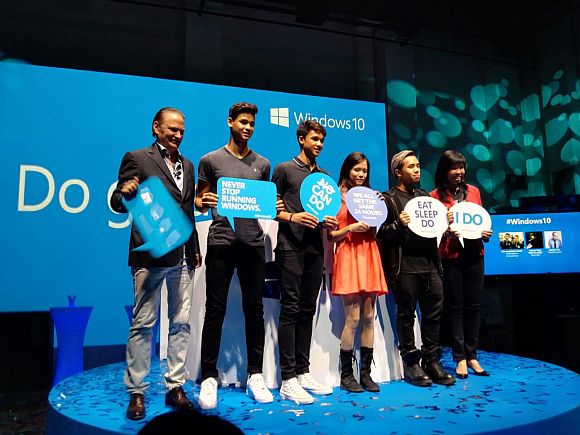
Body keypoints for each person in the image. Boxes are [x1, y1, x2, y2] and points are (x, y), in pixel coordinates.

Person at [110, 107, 201, 420]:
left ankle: (175, 386)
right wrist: (125, 194)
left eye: (182, 130)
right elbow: (118, 201)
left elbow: (187, 210)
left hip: (184, 255)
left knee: (181, 322)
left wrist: (194, 248)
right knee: (144, 323)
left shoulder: (188, 165)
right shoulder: (137, 158)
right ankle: (136, 391)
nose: (178, 135)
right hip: (150, 255)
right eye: (172, 129)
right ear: (156, 127)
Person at [196, 102, 274, 409]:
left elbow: (264, 204)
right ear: (230, 122)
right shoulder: (210, 160)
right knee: (215, 310)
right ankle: (208, 377)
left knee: (255, 310)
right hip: (221, 242)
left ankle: (255, 375)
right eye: (243, 122)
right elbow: (200, 200)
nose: (248, 128)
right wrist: (204, 200)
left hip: (253, 244)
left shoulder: (263, 164)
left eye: (251, 124)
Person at [272, 120, 338, 404]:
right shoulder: (284, 169)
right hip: (290, 247)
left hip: (314, 249)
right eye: (314, 139)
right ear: (301, 139)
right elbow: (270, 208)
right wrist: (292, 217)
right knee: (290, 309)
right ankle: (287, 379)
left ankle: (302, 372)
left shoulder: (324, 177)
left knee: (307, 310)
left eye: (322, 140)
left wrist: (330, 222)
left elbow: (327, 214)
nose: (319, 144)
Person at [377, 150, 455, 387]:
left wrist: (446, 224)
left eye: (418, 165)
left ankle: (432, 361)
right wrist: (398, 224)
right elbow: (381, 234)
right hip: (405, 268)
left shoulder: (425, 198)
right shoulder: (388, 199)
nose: (417, 170)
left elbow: (434, 230)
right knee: (406, 315)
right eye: (411, 166)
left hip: (431, 266)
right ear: (398, 172)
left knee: (433, 315)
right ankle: (411, 363)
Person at [328, 152, 388, 393]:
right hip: (348, 255)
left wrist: (379, 209)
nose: (361, 174)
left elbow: (377, 229)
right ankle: (346, 374)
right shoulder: (336, 197)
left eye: (364, 171)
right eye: (357, 170)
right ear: (347, 170)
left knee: (369, 317)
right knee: (352, 318)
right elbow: (331, 236)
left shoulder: (371, 197)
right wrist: (350, 227)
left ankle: (366, 373)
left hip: (369, 254)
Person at [430, 150, 492, 379]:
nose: (459, 172)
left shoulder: (474, 192)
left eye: (462, 167)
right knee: (455, 307)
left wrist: (484, 233)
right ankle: (460, 358)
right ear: (444, 171)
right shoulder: (434, 197)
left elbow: (481, 222)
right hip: (451, 256)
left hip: (474, 254)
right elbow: (433, 232)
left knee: (474, 306)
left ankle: (472, 355)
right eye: (454, 168)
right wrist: (446, 232)